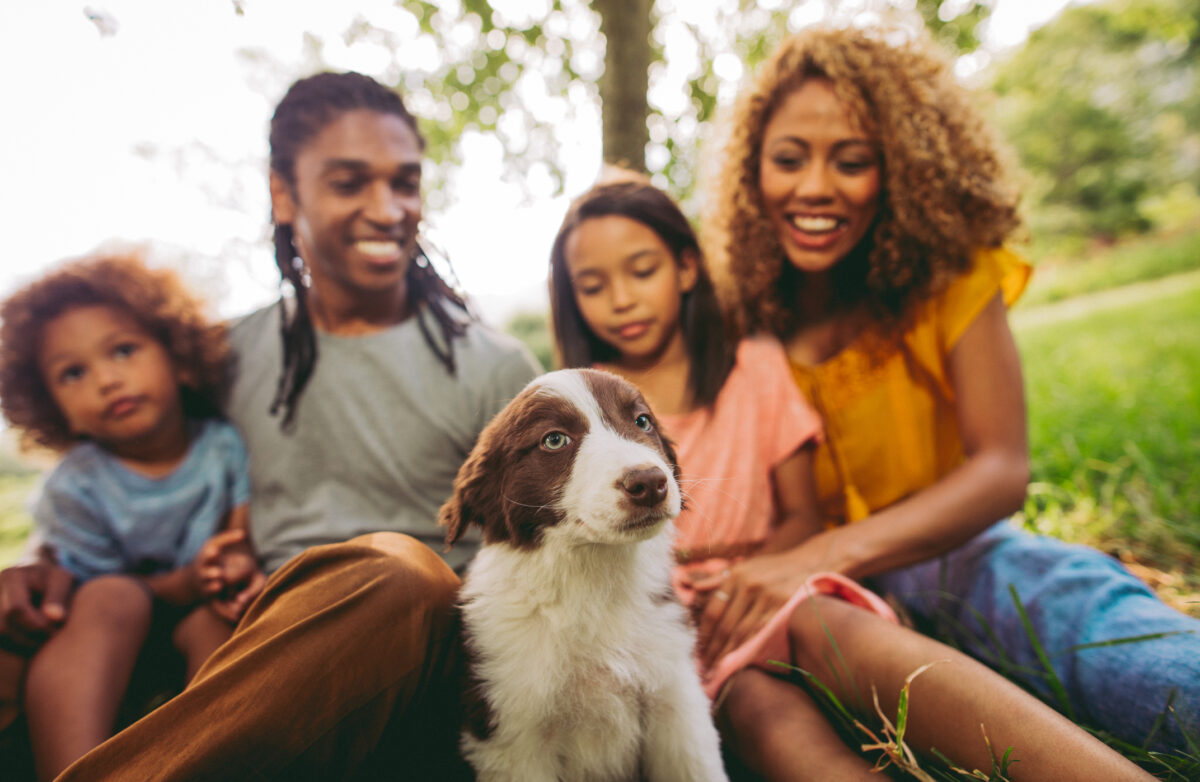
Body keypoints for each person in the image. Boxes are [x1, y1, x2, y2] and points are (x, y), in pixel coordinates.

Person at [0, 71, 540, 780]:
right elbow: (123, 463)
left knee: (401, 571)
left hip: (430, 636)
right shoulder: (224, 358)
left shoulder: (497, 370)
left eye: (405, 183)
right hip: (265, 638)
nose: (388, 209)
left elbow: (541, 557)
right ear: (284, 195)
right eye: (350, 183)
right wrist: (40, 564)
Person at [548, 176, 1153, 781]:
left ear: (685, 268)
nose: (621, 299)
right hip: (666, 625)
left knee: (848, 637)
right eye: (593, 286)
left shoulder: (753, 365)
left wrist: (751, 580)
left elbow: (803, 516)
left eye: (642, 271)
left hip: (774, 583)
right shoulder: (579, 410)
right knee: (763, 714)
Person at [703, 24, 1200, 757]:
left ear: (898, 170)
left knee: (1060, 603)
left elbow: (1001, 468)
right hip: (811, 608)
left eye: (852, 161)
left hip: (948, 554)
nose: (814, 187)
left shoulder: (949, 277)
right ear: (752, 174)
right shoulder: (736, 320)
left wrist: (823, 553)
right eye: (788, 159)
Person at [0, 252, 261, 780]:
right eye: (73, 373)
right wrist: (181, 584)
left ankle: (209, 763)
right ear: (52, 406)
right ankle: (75, 771)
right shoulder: (76, 484)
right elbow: (78, 595)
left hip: (198, 613)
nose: (106, 380)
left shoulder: (223, 446)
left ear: (178, 358)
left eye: (123, 351)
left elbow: (236, 536)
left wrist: (227, 565)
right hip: (109, 629)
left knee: (219, 622)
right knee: (112, 596)